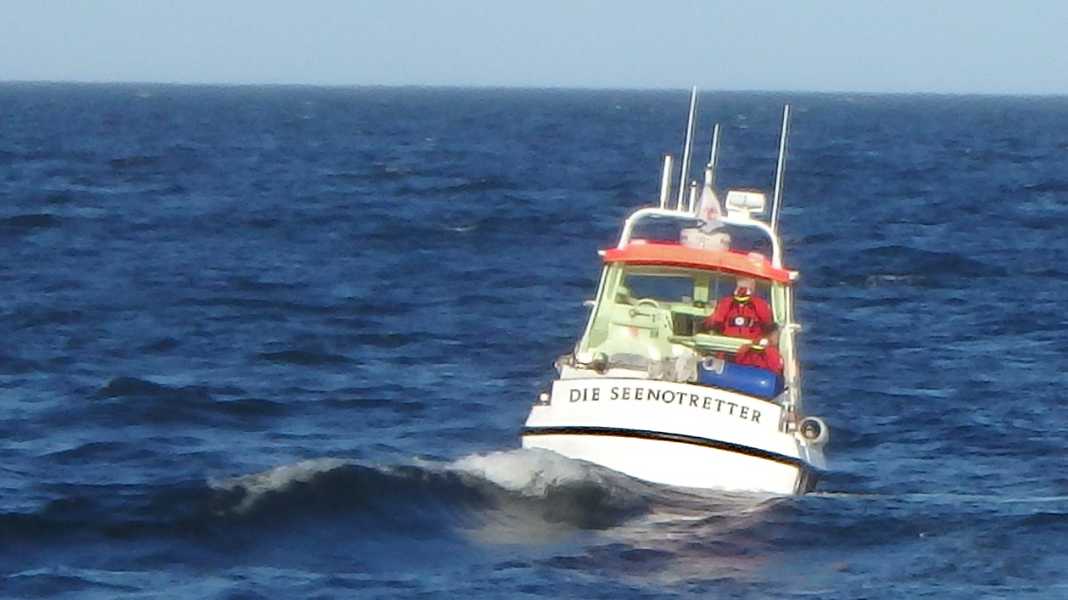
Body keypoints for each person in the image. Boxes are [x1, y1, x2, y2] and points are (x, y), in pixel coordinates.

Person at [703, 278, 773, 339]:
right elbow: (713, 322)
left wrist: (754, 303)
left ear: (753, 286)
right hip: (728, 341)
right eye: (741, 286)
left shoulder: (760, 304)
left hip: (751, 345)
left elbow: (767, 324)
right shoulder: (726, 302)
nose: (743, 290)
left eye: (747, 285)